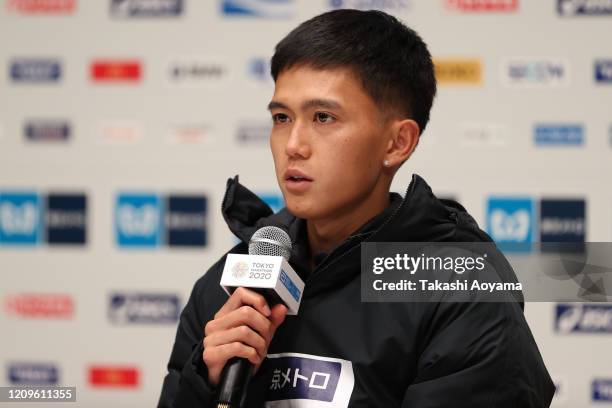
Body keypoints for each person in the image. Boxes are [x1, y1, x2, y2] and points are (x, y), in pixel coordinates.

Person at [158, 9, 554, 408]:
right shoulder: (230, 284)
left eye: (323, 117)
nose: (293, 144)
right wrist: (207, 386)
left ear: (397, 143)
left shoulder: (459, 289)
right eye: (282, 117)